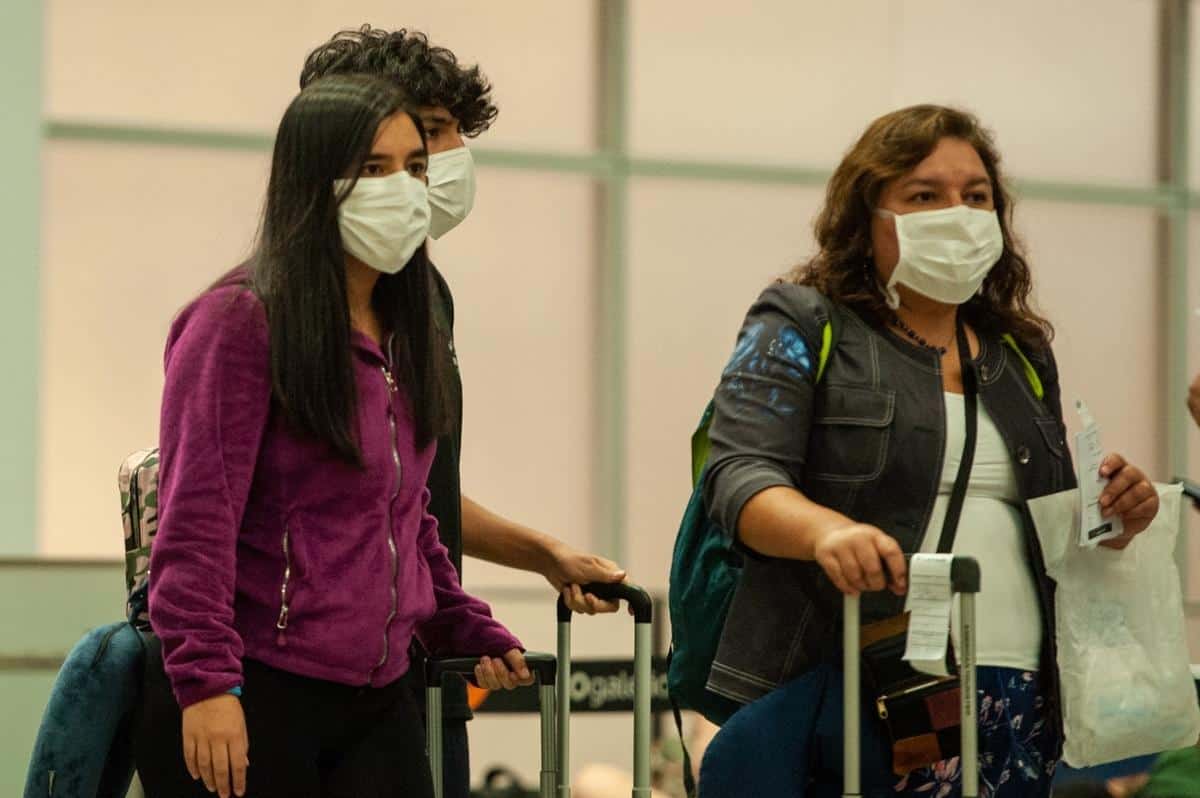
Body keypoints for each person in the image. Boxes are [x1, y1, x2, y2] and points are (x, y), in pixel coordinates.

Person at [696, 105, 1160, 797]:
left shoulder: (1020, 352)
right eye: (924, 195)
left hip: (1020, 688)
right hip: (865, 677)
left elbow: (1060, 529)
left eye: (976, 197)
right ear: (868, 216)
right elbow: (736, 474)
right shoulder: (802, 319)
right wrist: (829, 532)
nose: (960, 213)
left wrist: (1116, 514)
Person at [134, 74, 533, 798]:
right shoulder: (239, 322)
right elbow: (194, 524)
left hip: (378, 697)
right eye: (373, 169)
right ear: (315, 182)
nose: (405, 188)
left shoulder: (407, 329)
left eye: (415, 167)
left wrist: (457, 620)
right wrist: (205, 684)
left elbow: (405, 517)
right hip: (255, 690)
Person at [297, 27, 628, 796]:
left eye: (442, 140)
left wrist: (541, 554)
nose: (441, 160)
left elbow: (405, 494)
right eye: (427, 134)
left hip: (416, 658)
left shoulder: (420, 298)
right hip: (311, 686)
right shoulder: (273, 315)